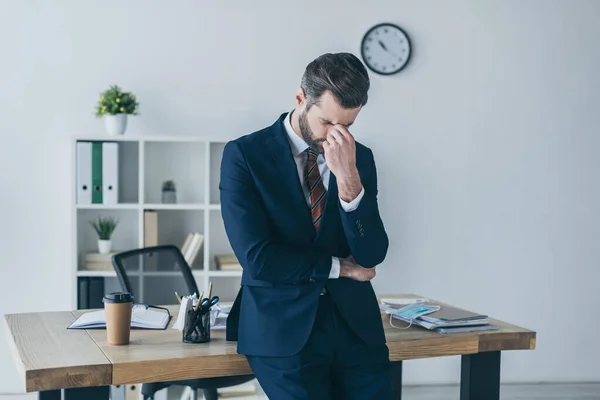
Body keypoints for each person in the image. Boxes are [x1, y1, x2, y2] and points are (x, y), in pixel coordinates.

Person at [219, 52, 392, 399]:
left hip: (356, 328)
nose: (337, 136)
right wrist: (339, 268)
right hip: (281, 330)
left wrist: (348, 180)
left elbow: (372, 253)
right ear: (301, 99)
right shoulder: (244, 156)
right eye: (328, 123)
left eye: (348, 125)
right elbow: (260, 260)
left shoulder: (359, 159)